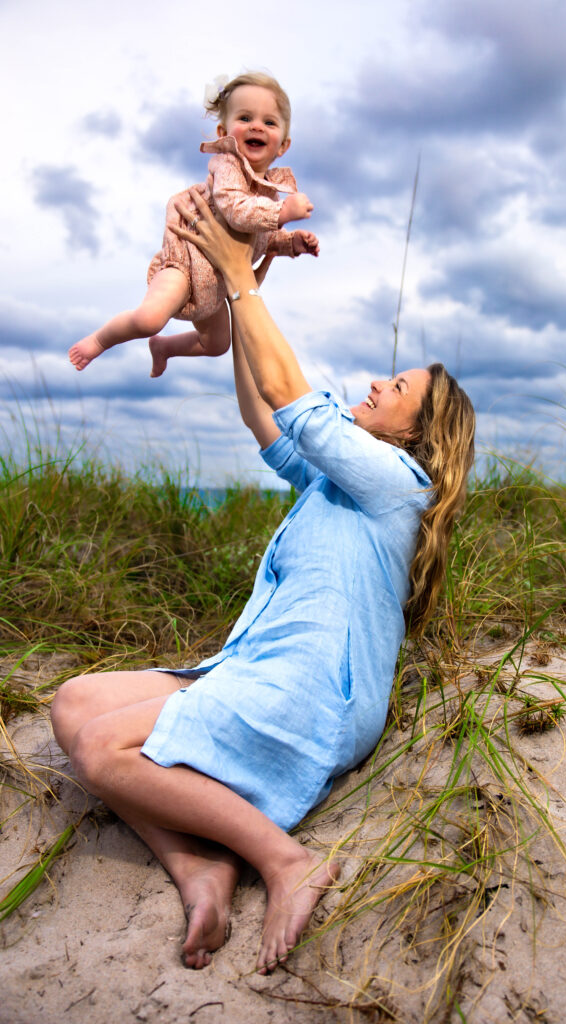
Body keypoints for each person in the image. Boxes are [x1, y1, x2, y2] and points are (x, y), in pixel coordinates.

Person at [51, 189, 475, 974]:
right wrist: (239, 285)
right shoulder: (337, 480)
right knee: (73, 704)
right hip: (255, 669)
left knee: (105, 749)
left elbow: (292, 397)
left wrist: (238, 275)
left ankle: (286, 862)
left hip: (314, 689)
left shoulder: (395, 480)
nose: (379, 386)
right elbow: (265, 418)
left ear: (416, 431)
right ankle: (200, 868)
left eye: (399, 389)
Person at [68, 72, 318, 376]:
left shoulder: (267, 190)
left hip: (214, 286)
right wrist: (281, 212)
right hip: (186, 266)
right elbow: (236, 211)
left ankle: (165, 348)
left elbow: (256, 235)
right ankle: (99, 339)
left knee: (216, 345)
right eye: (245, 117)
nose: (256, 126)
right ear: (224, 132)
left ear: (283, 145)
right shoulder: (228, 166)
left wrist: (289, 242)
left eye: (269, 122)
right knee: (150, 319)